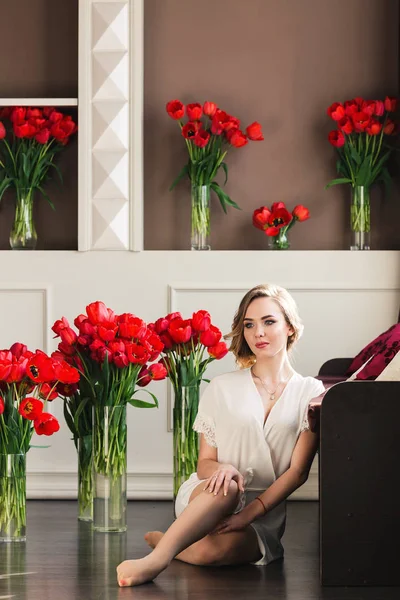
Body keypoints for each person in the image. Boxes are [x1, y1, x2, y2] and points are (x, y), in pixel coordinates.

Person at [117, 283, 325, 587]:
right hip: (211, 491)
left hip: (263, 511)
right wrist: (223, 470)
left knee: (215, 554)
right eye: (249, 325)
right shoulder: (222, 387)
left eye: (269, 322)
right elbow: (205, 463)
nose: (258, 333)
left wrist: (248, 515)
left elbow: (298, 472)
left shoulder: (311, 392)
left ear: (291, 328)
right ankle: (157, 560)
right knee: (228, 485)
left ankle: (169, 541)